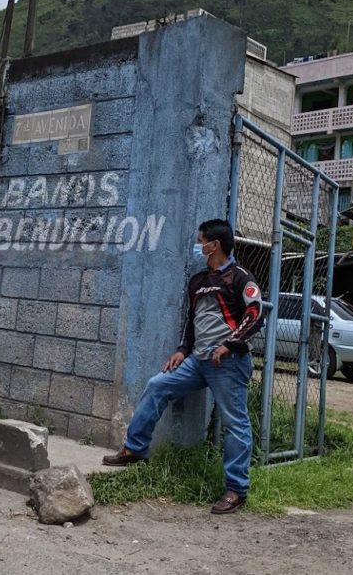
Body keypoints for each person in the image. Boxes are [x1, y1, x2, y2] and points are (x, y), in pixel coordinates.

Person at [102, 219, 264, 515]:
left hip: (228, 363)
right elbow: (191, 321)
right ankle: (135, 449)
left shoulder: (240, 277)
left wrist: (230, 344)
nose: (197, 245)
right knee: (157, 385)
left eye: (200, 240)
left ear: (214, 245)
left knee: (235, 423)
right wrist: (182, 350)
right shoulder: (198, 281)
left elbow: (255, 314)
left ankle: (237, 490)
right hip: (197, 361)